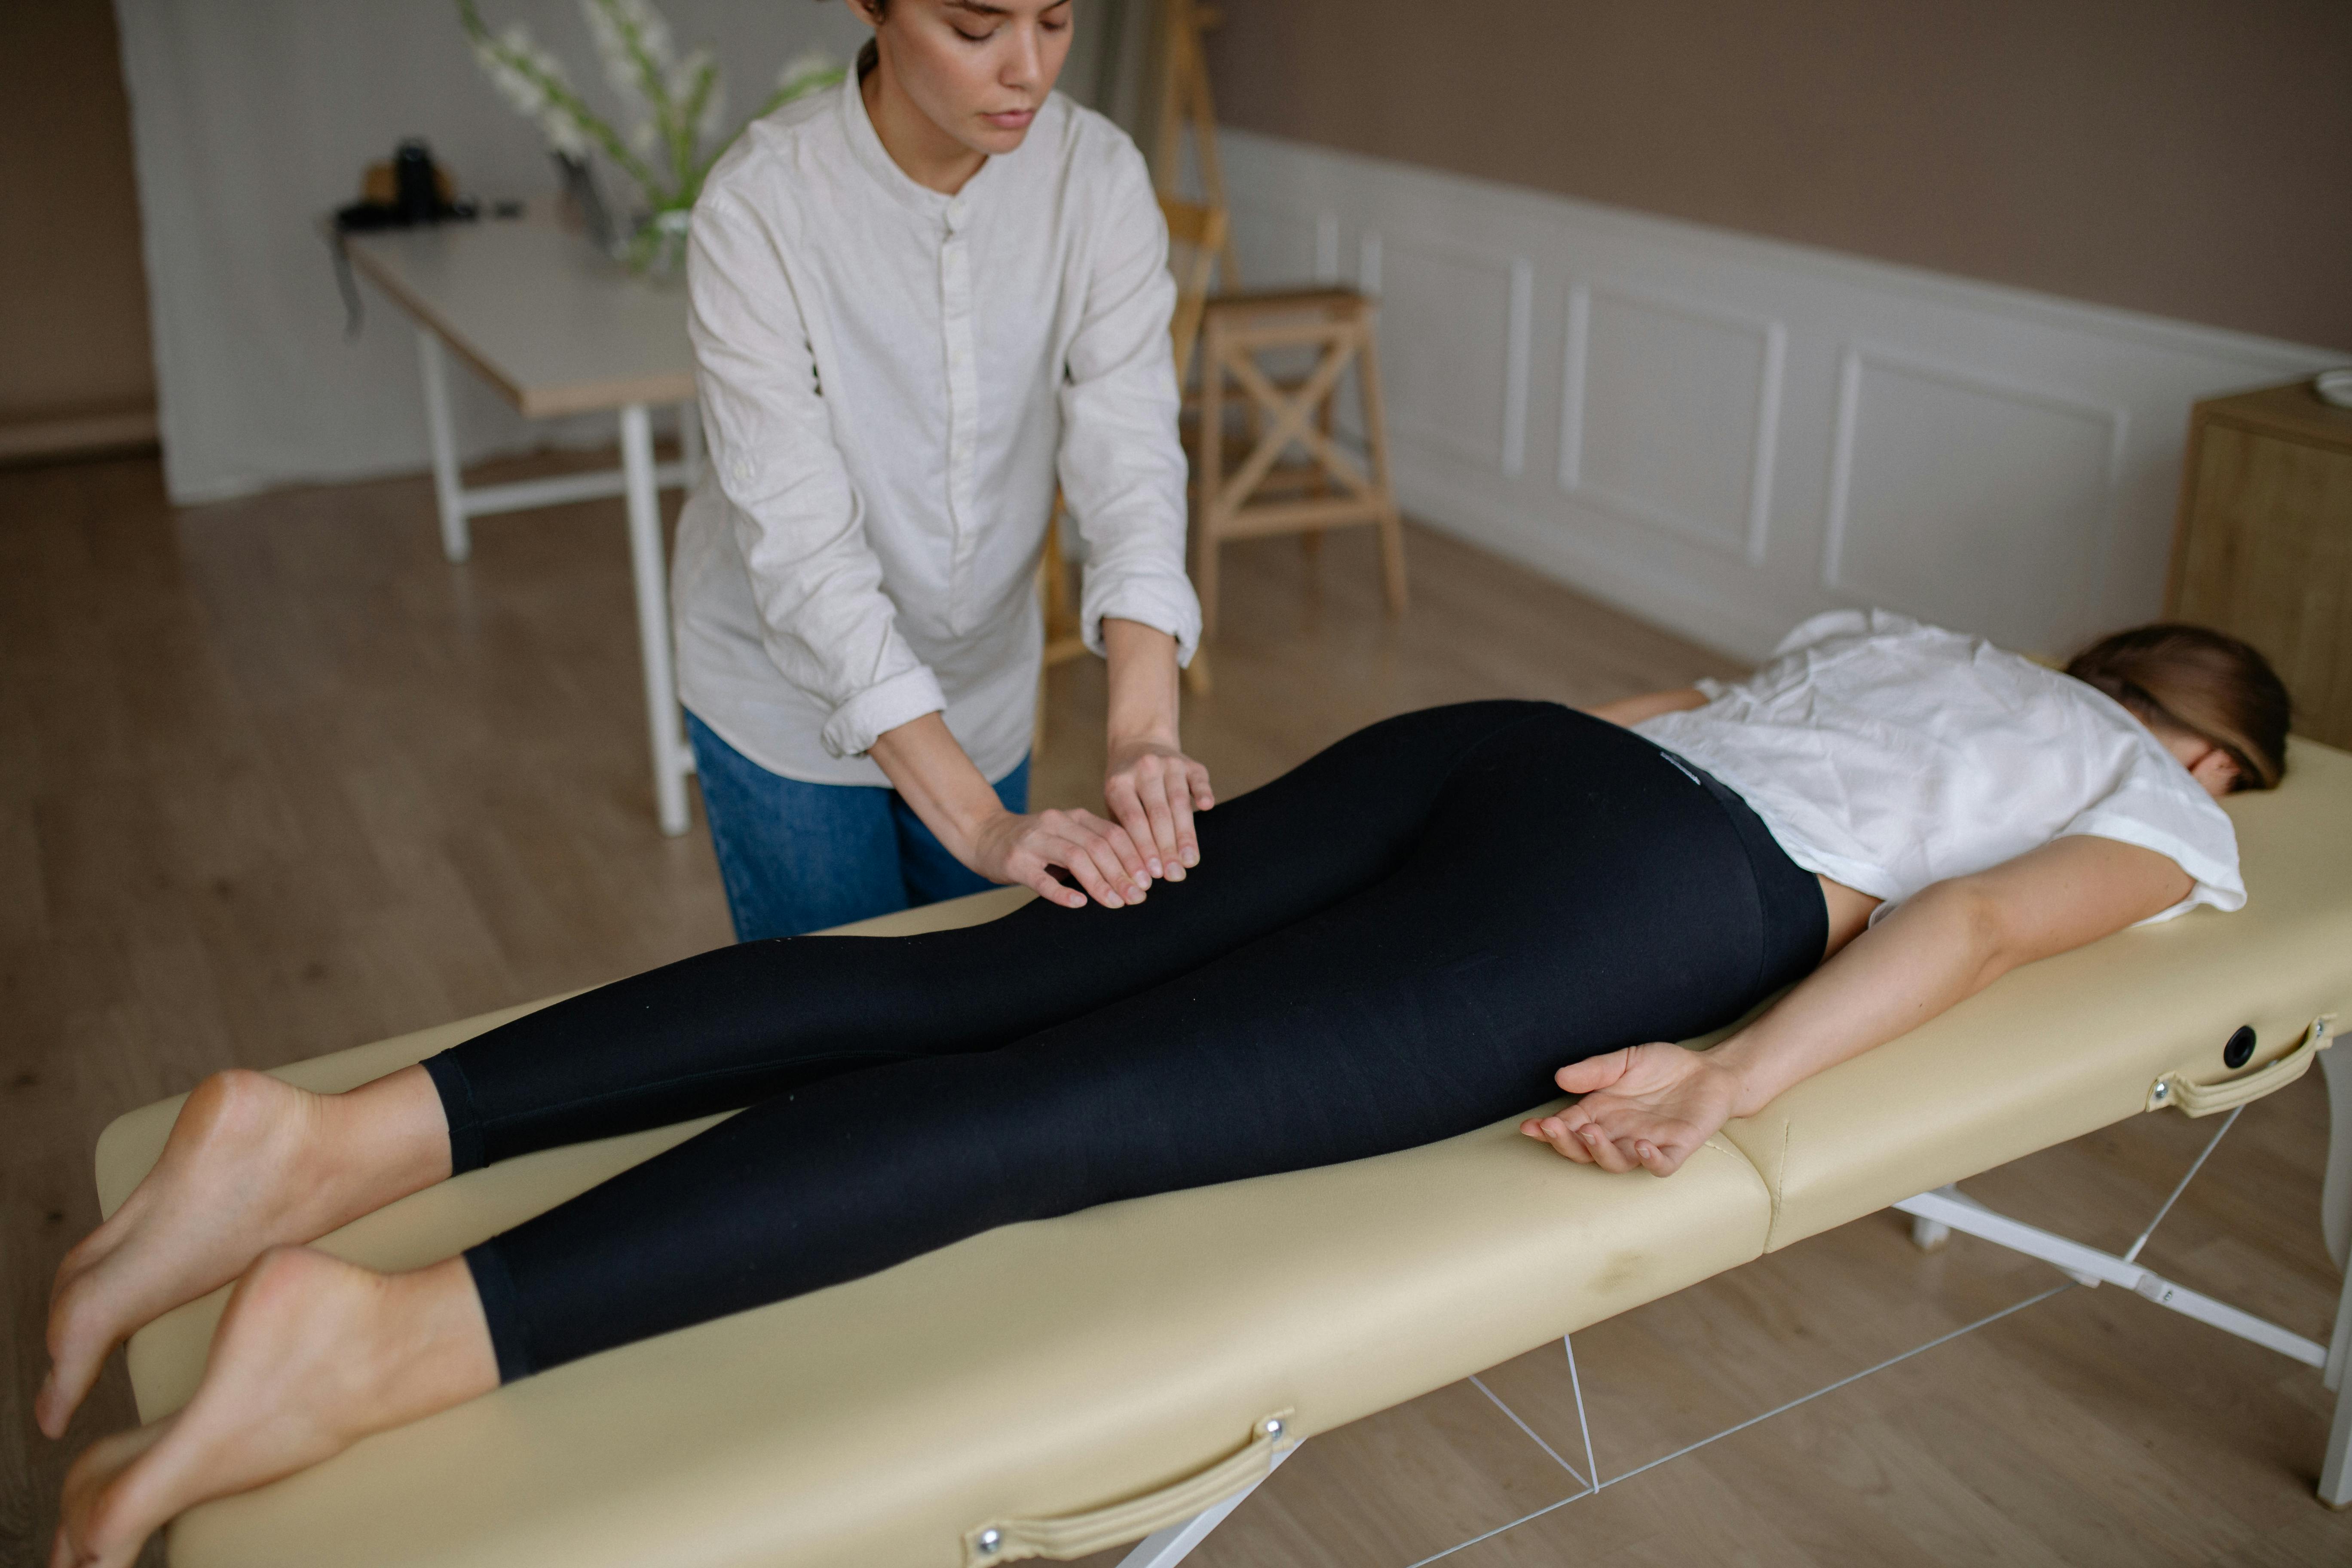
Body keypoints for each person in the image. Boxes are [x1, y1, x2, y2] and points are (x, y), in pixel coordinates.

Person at [41, 611, 2289, 1568]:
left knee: (965, 995)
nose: (2214, 823)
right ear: (2203, 754)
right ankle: (385, 1341)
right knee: (1066, 1116)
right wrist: (1729, 1077)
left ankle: (332, 1140)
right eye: (2234, 787)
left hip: (1506, 757)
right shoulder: (2161, 805)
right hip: (1643, 893)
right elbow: (1976, 929)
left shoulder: (1922, 641)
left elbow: (1650, 697)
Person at [673, 0, 1212, 941]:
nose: (1029, 70)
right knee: (841, 1040)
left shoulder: (1098, 180)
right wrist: (980, 823)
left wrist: (1143, 733)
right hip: (782, 701)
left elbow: (1130, 462)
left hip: (982, 688)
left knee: (978, 1007)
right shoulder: (759, 207)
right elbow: (803, 551)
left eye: (1055, 20)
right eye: (977, 31)